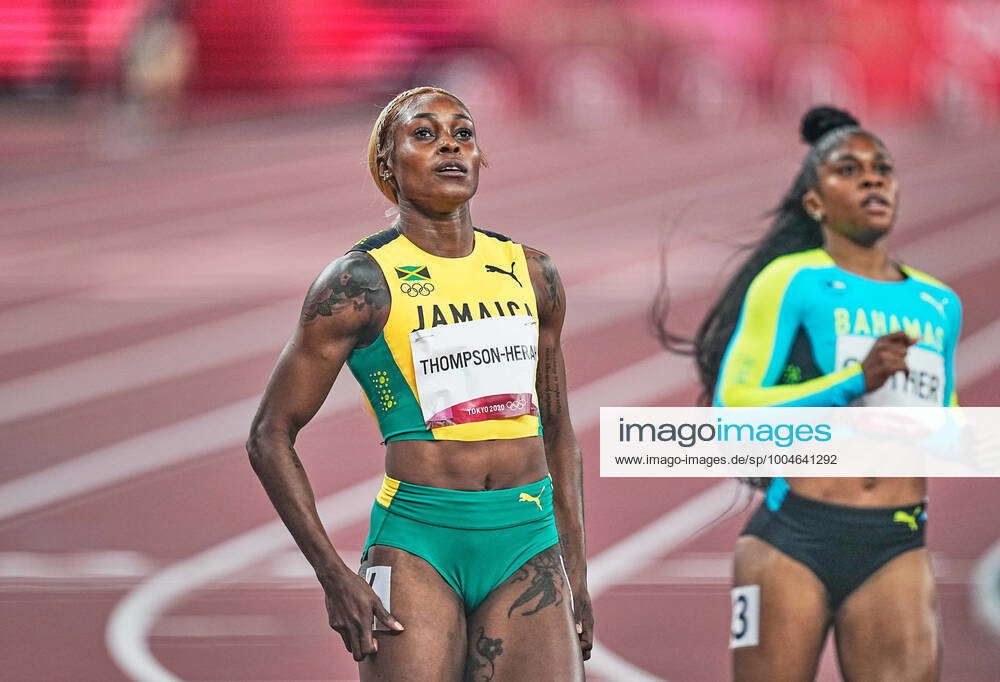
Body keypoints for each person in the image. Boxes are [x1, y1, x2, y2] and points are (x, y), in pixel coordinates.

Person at [247, 86, 592, 681]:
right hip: (417, 543)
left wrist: (577, 569)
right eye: (424, 135)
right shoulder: (359, 282)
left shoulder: (533, 273)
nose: (450, 147)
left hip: (527, 539)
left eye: (463, 133)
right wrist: (334, 576)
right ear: (388, 163)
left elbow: (557, 428)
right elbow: (270, 435)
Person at [654, 106, 961, 681]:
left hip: (897, 537)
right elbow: (733, 407)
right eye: (849, 169)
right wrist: (852, 383)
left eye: (883, 168)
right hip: (796, 538)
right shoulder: (792, 280)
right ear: (815, 202)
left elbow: (946, 425)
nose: (873, 179)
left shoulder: (938, 303)